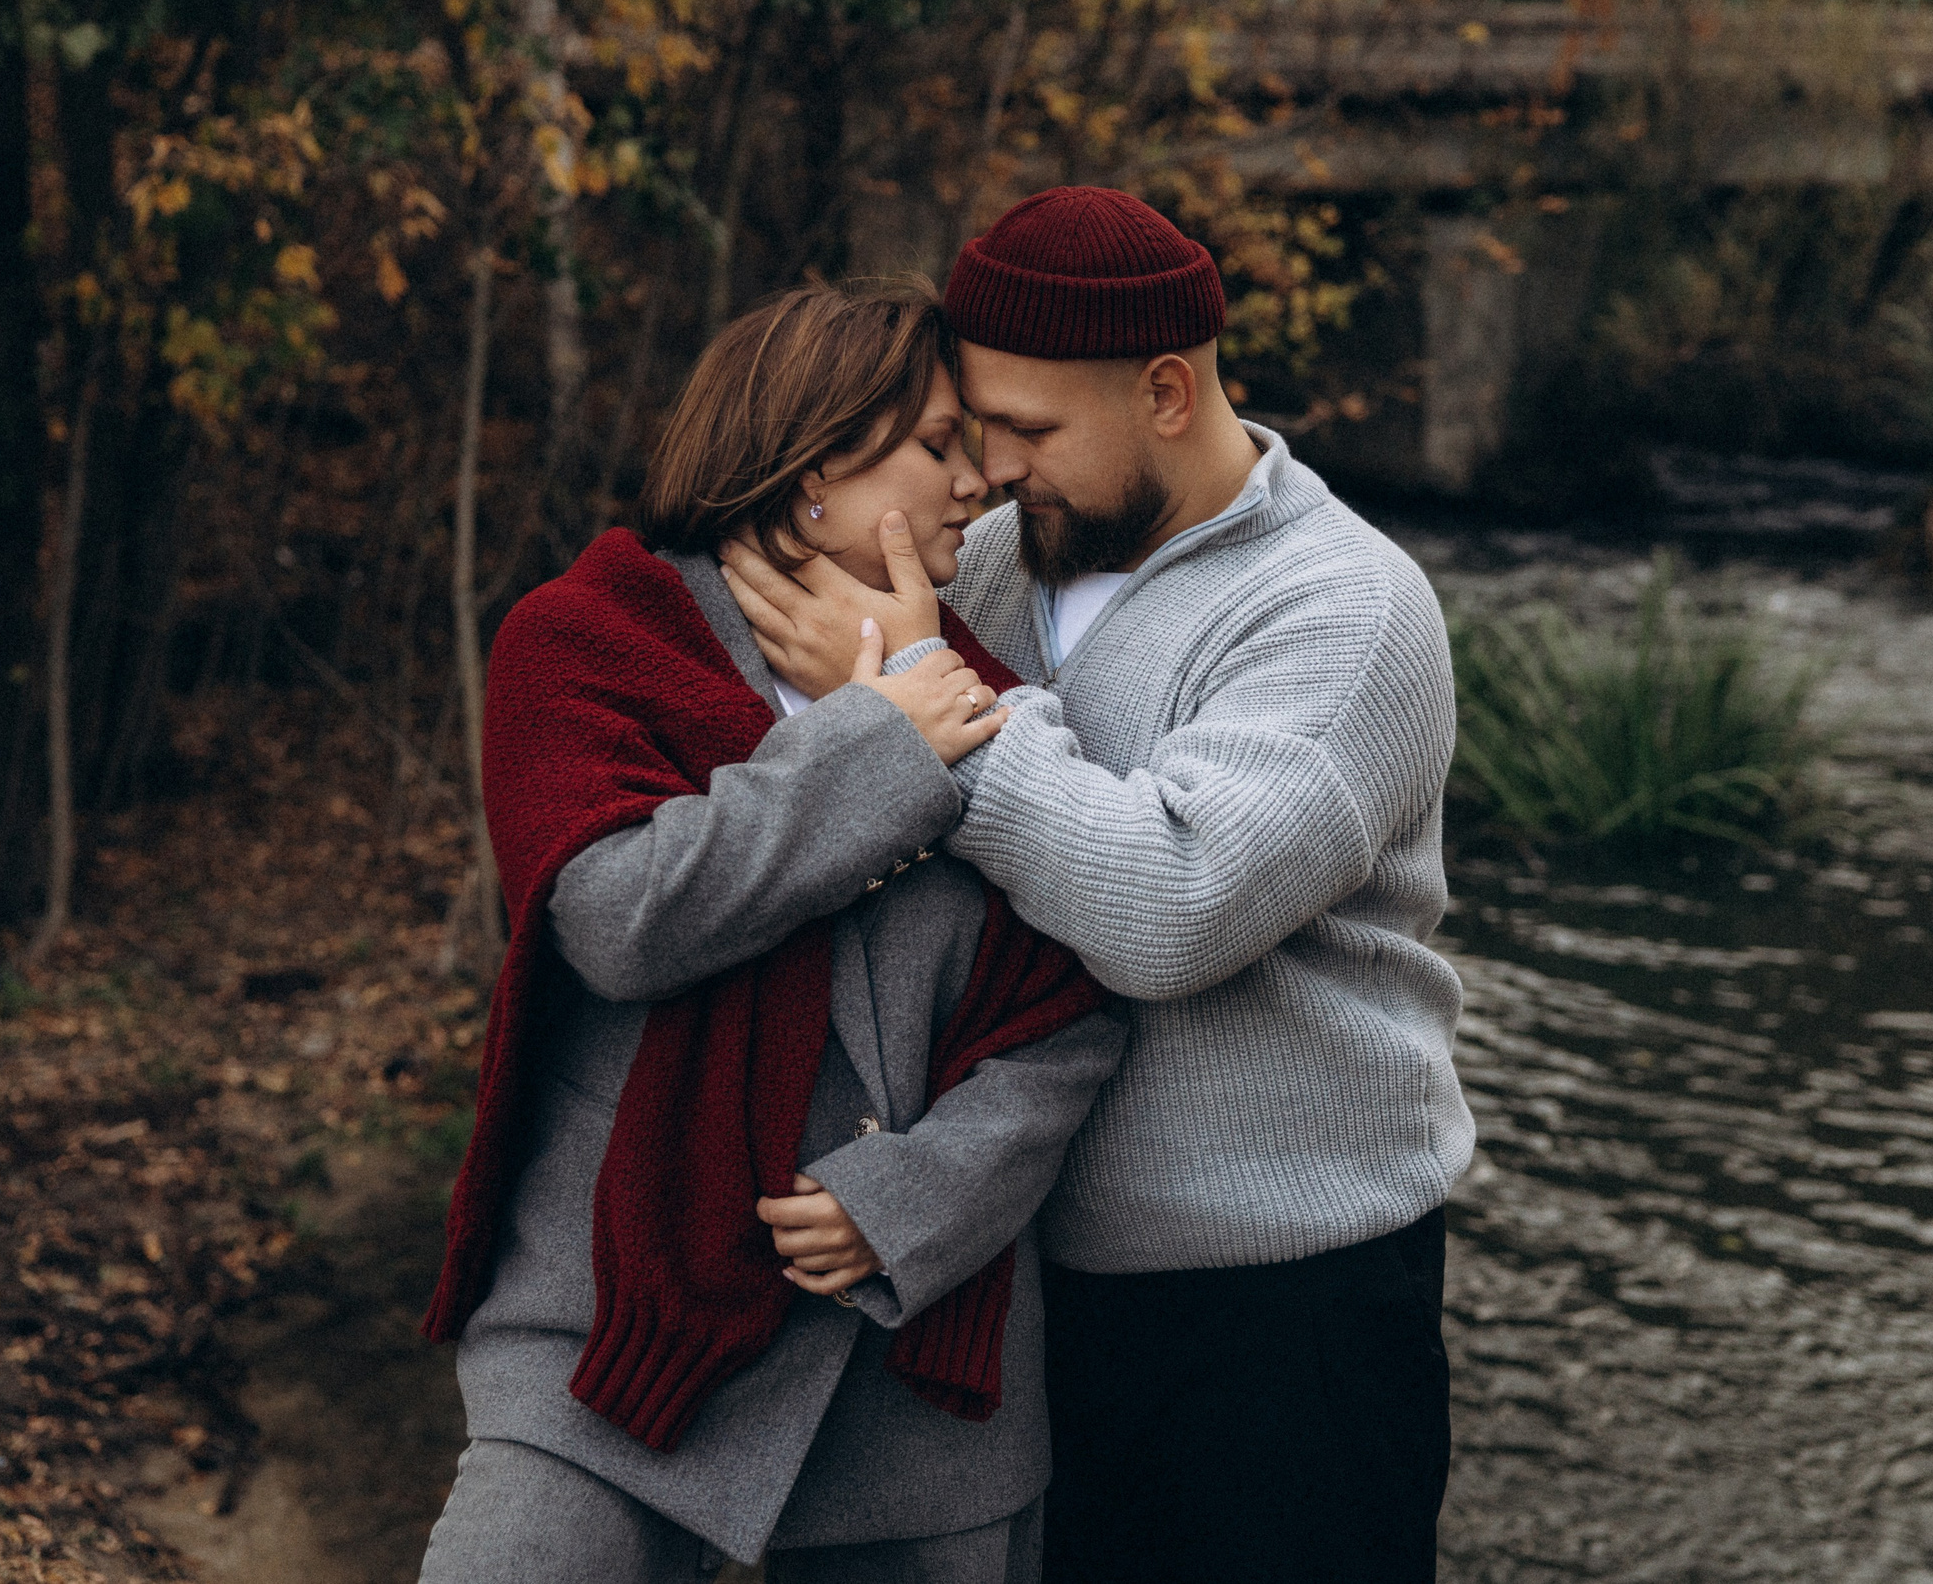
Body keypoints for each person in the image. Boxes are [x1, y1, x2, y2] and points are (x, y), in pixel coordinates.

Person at [722, 185, 1474, 1584]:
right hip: (999, 1287)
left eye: (1031, 430)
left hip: (1281, 1323)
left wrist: (909, 702)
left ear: (1170, 392)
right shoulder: (991, 562)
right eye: (975, 425)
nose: (989, 470)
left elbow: (1168, 906)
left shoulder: (1346, 609)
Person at [417, 277, 1126, 1583]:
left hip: (913, 1386)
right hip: (605, 1342)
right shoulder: (582, 642)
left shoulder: (997, 705)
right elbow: (619, 920)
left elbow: (1069, 1020)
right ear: (812, 462)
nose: (980, 486)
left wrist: (909, 1204)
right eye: (936, 445)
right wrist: (879, 741)